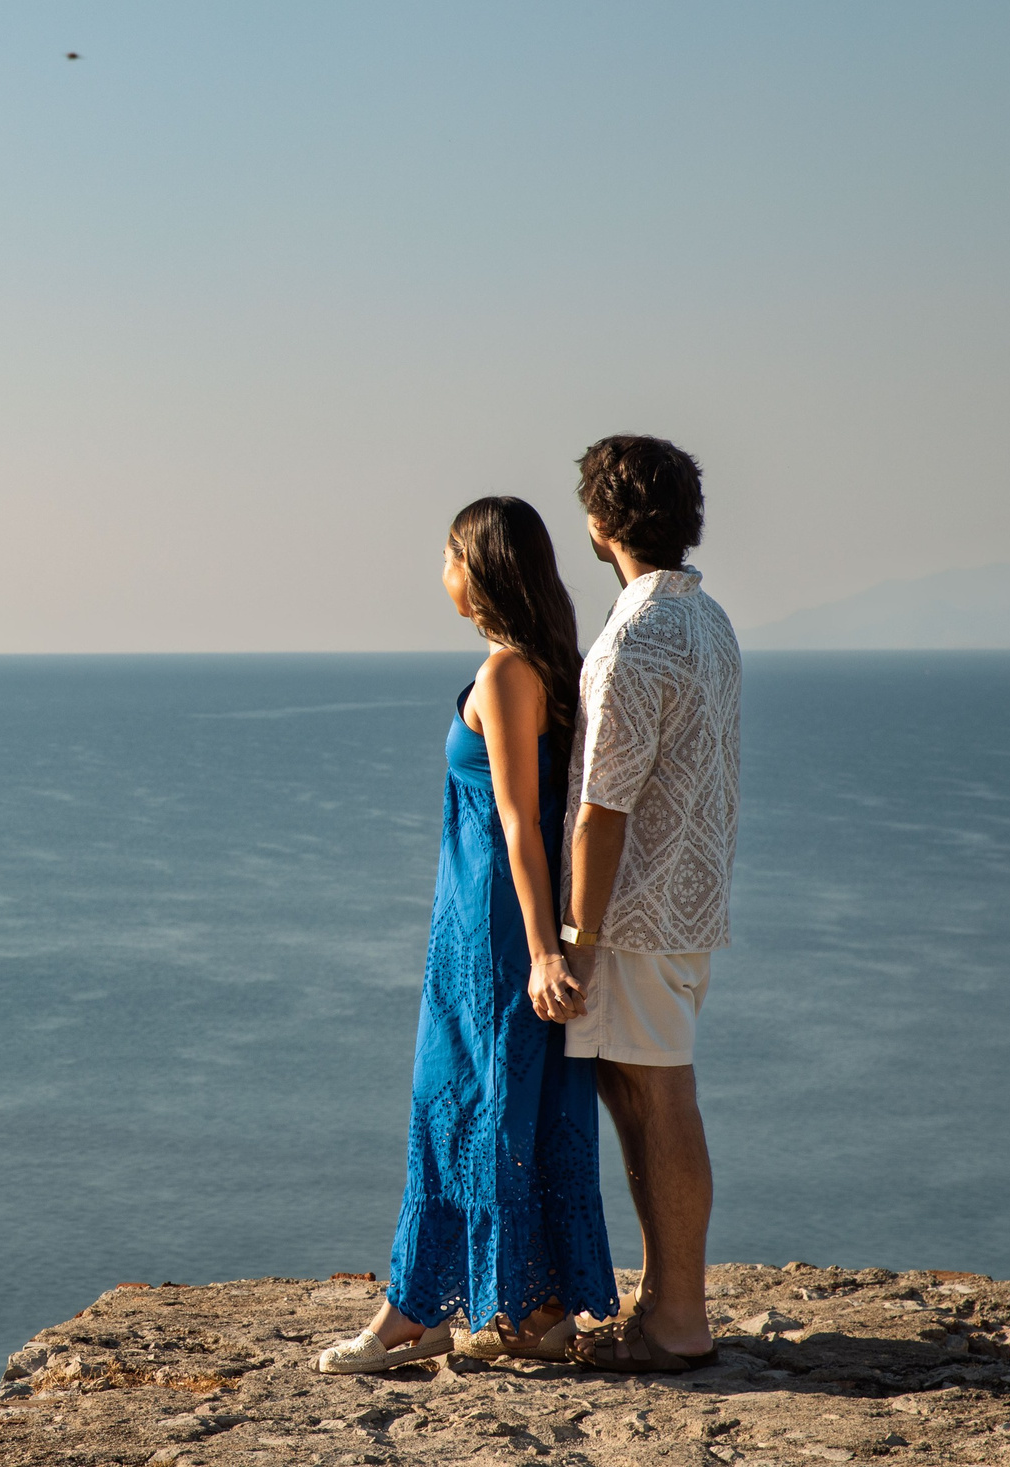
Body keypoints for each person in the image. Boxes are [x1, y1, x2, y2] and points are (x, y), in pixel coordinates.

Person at [316, 497, 617, 1375]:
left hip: (491, 930)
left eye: (448, 554)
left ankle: (415, 1311)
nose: (439, 569)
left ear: (480, 568)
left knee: (461, 1103)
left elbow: (523, 824)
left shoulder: (505, 675)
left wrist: (541, 951)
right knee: (510, 1103)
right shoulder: (543, 666)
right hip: (487, 922)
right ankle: (535, 1305)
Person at [558, 435, 741, 1376]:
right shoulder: (709, 620)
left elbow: (601, 808)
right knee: (648, 1091)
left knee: (658, 1096)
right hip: (689, 898)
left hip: (635, 914)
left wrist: (576, 940)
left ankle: (678, 1317)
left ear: (600, 522)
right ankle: (665, 1303)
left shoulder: (630, 638)